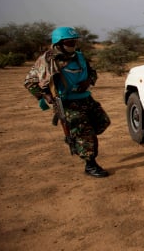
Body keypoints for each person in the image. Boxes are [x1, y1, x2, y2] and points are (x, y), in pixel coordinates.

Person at [24, 27, 112, 178]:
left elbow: (92, 72)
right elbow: (30, 82)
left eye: (74, 41)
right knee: (86, 133)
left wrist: (89, 81)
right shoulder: (47, 60)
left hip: (85, 98)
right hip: (67, 103)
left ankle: (76, 137)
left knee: (103, 122)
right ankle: (90, 164)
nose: (72, 44)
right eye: (69, 42)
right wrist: (44, 95)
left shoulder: (79, 57)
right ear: (58, 43)